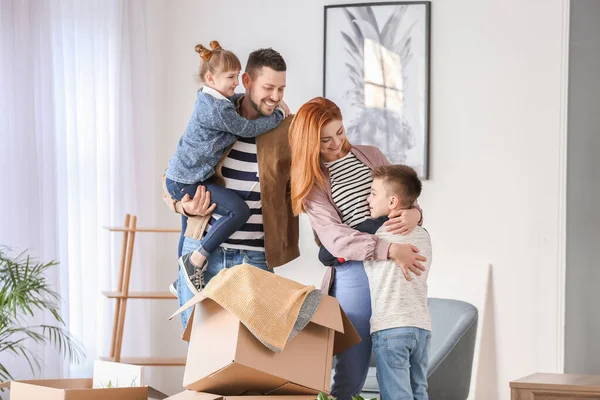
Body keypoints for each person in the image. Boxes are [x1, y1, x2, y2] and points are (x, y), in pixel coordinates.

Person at [288, 97, 427, 400]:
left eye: (340, 132)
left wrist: (415, 212)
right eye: (325, 140)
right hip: (355, 268)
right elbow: (335, 238)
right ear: (309, 142)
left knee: (400, 344)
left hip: (393, 263)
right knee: (354, 360)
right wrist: (386, 248)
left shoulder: (371, 155)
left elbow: (400, 195)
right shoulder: (313, 182)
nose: (336, 143)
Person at [162, 47, 299, 329]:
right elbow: (174, 173)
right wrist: (182, 205)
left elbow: (301, 186)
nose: (275, 97)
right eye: (268, 87)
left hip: (256, 259)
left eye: (281, 89)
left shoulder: (286, 130)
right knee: (201, 357)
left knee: (255, 360)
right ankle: (184, 272)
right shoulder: (220, 116)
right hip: (203, 252)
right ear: (247, 81)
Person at [365, 165, 432, 400]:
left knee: (396, 396)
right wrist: (417, 213)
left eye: (373, 193)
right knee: (418, 392)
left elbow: (328, 255)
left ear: (392, 202)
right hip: (421, 328)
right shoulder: (423, 234)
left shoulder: (377, 238)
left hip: (390, 327)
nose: (368, 198)